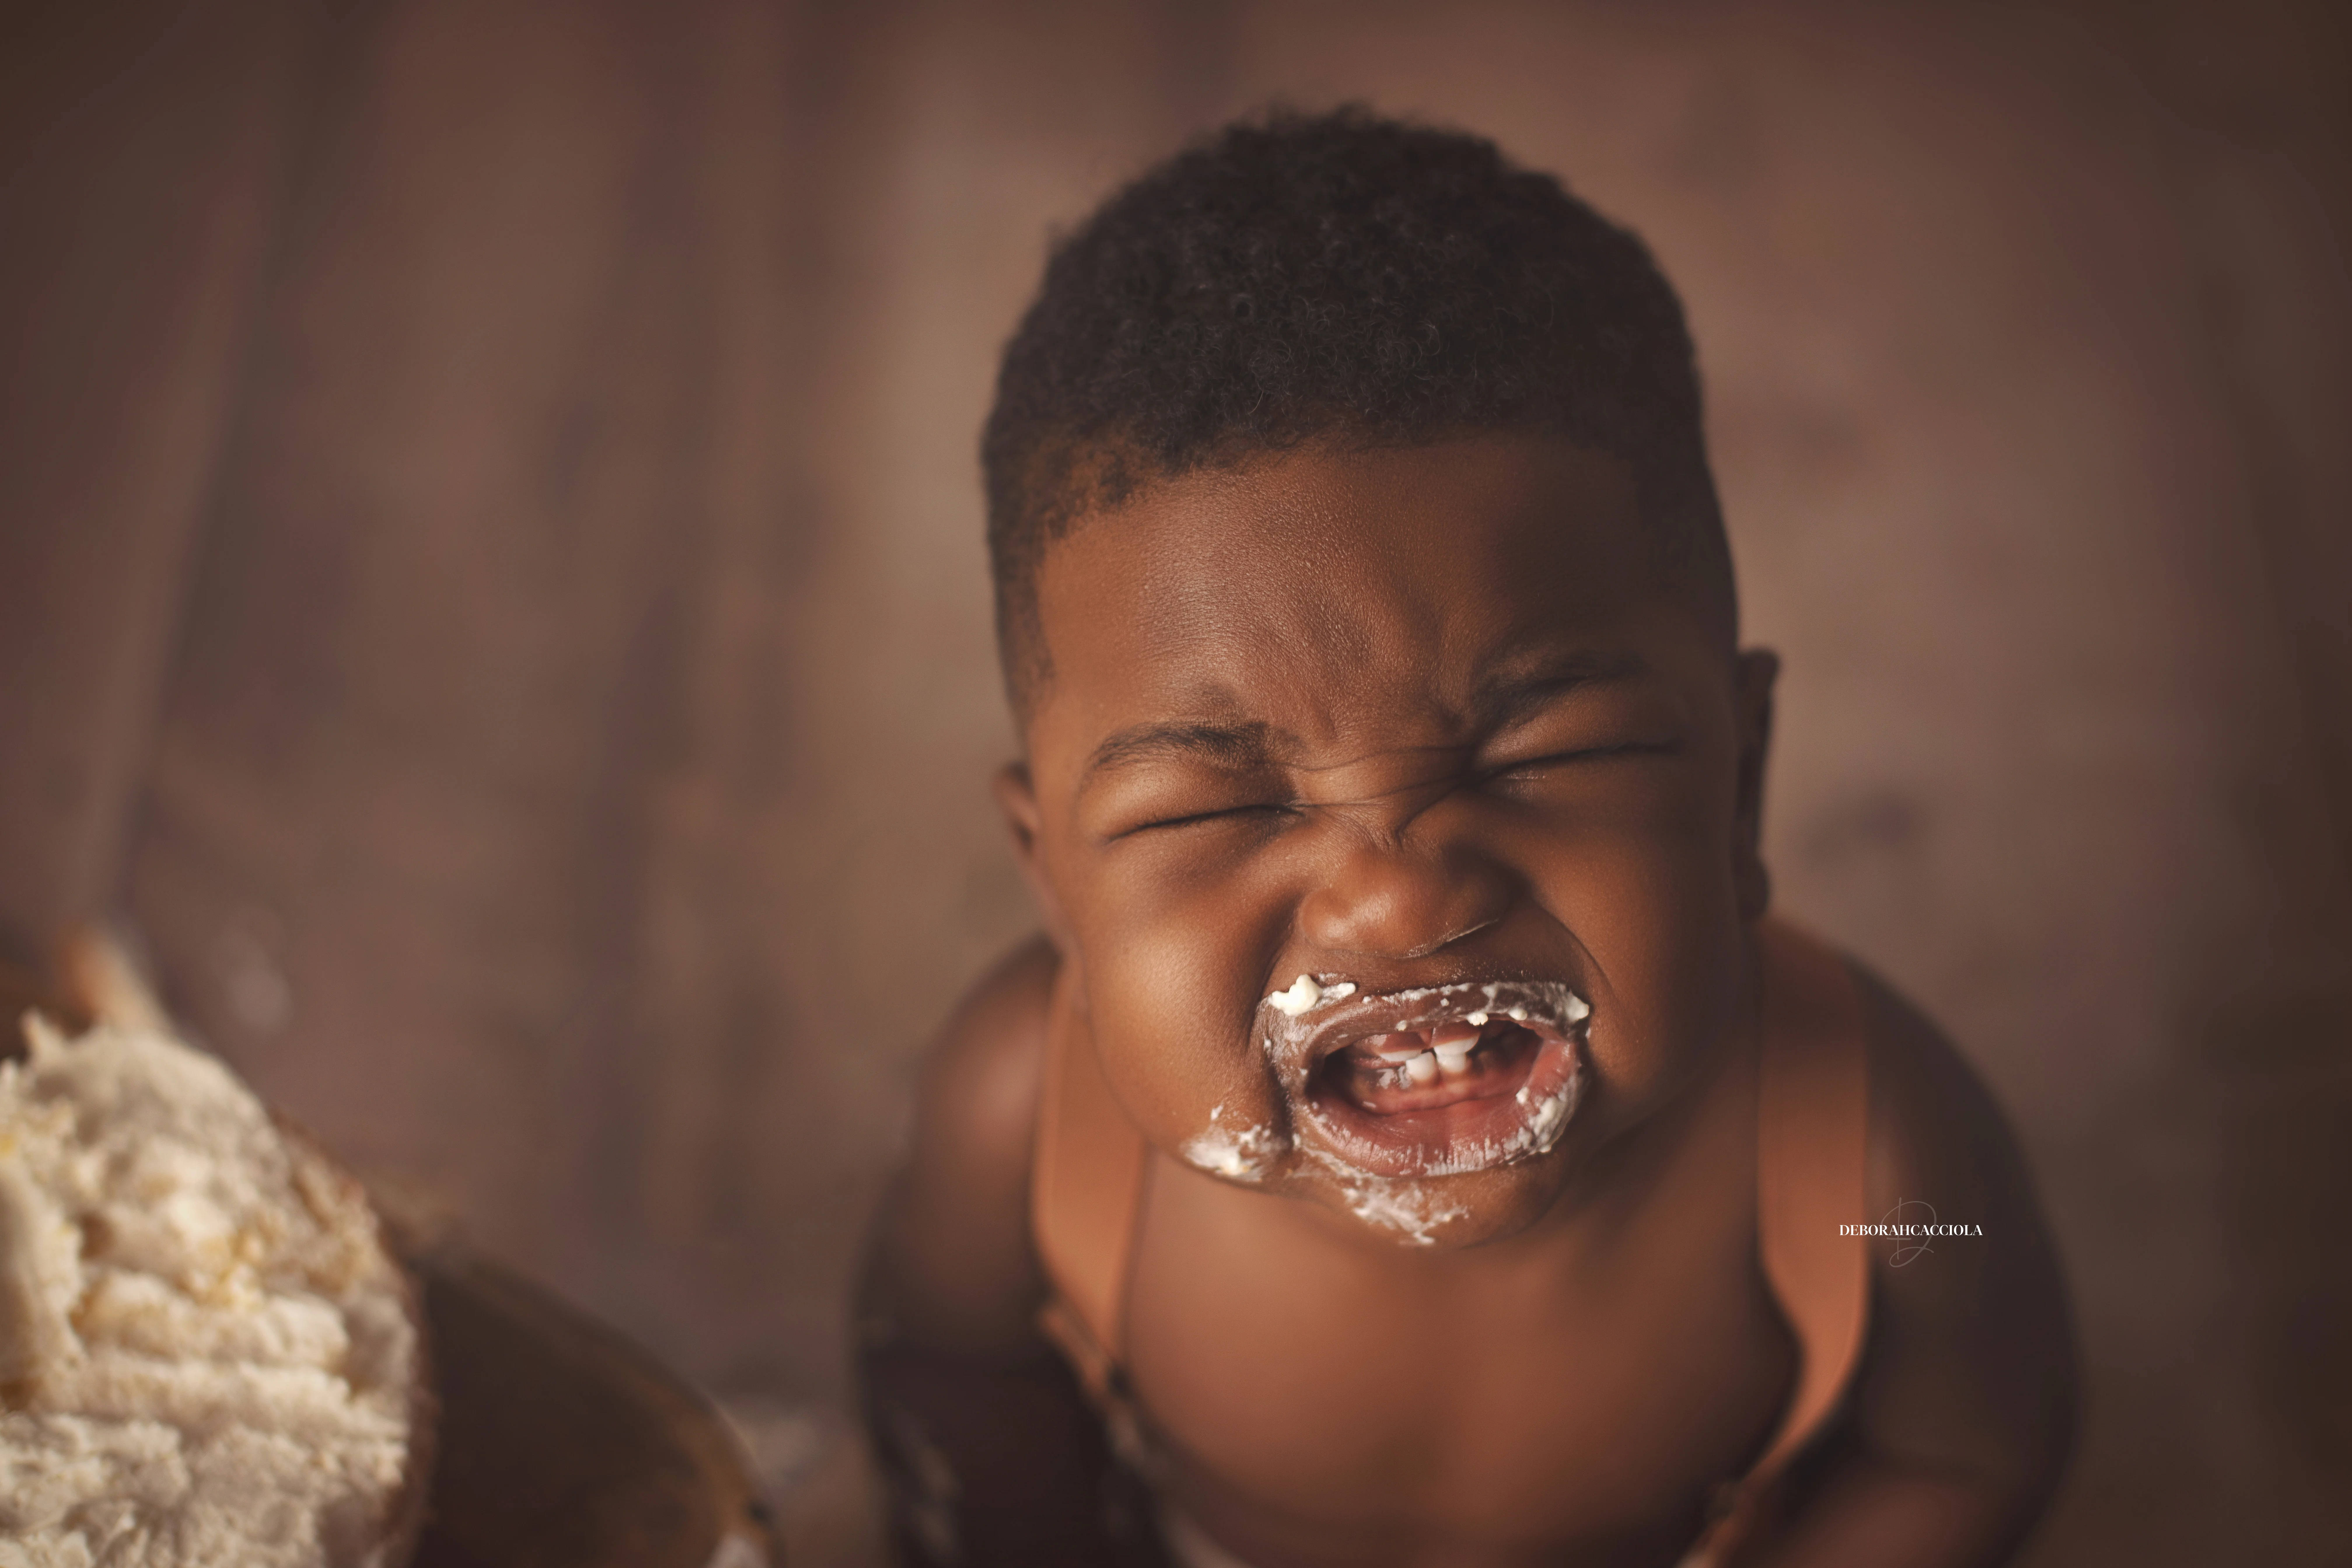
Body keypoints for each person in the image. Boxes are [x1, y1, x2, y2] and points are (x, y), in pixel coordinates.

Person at [856, 107, 2076, 1568]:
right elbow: (960, 1374)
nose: (1395, 886)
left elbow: (1961, 1447)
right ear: (1052, 878)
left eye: (1550, 749)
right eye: (1214, 803)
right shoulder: (1018, 1116)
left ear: (1736, 779)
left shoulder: (1892, 1172)